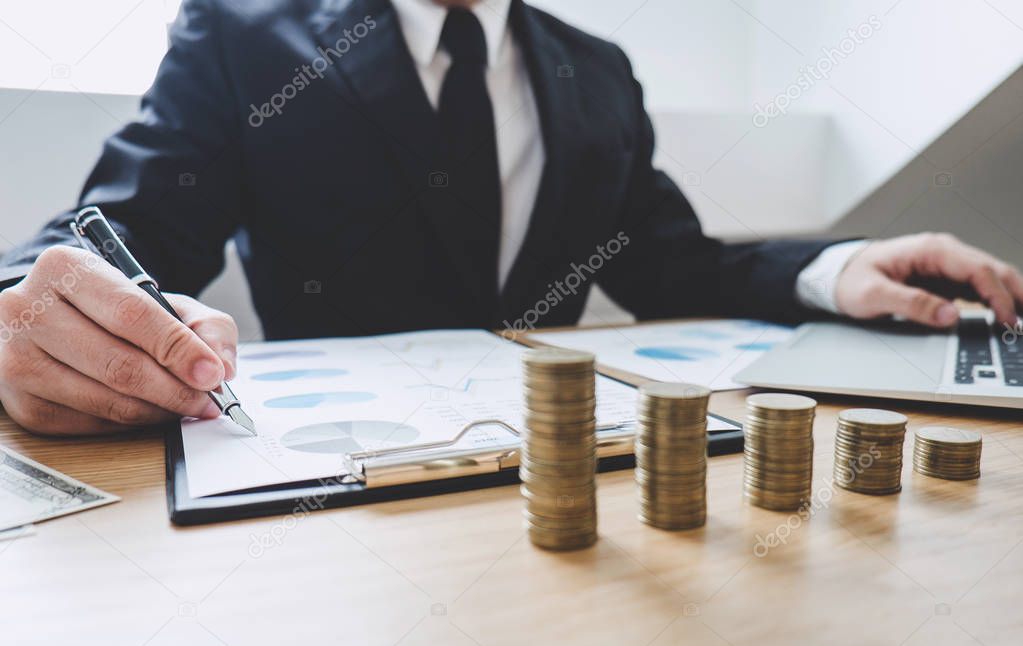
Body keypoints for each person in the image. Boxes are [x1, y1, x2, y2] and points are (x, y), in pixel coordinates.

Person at [0, 0, 1020, 435]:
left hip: (576, 481)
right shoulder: (243, 33)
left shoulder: (601, 71)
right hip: (340, 501)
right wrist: (23, 306)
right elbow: (114, 234)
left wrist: (839, 268)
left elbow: (669, 265)